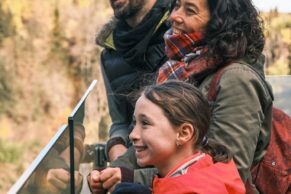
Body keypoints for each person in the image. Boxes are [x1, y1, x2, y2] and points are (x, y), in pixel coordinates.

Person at [89, 0, 273, 192]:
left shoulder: (237, 79)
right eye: (176, 6)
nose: (174, 17)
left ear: (219, 22)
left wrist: (132, 177)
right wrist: (114, 171)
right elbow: (149, 137)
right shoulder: (177, 67)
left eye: (190, 10)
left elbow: (230, 168)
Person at [91, 81, 246, 194]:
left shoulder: (197, 189)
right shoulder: (202, 172)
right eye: (134, 123)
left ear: (184, 133)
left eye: (145, 123)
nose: (132, 135)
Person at [96, 0, 174, 162]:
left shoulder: (180, 29)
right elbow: (120, 123)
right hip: (135, 173)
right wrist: (115, 144)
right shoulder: (110, 54)